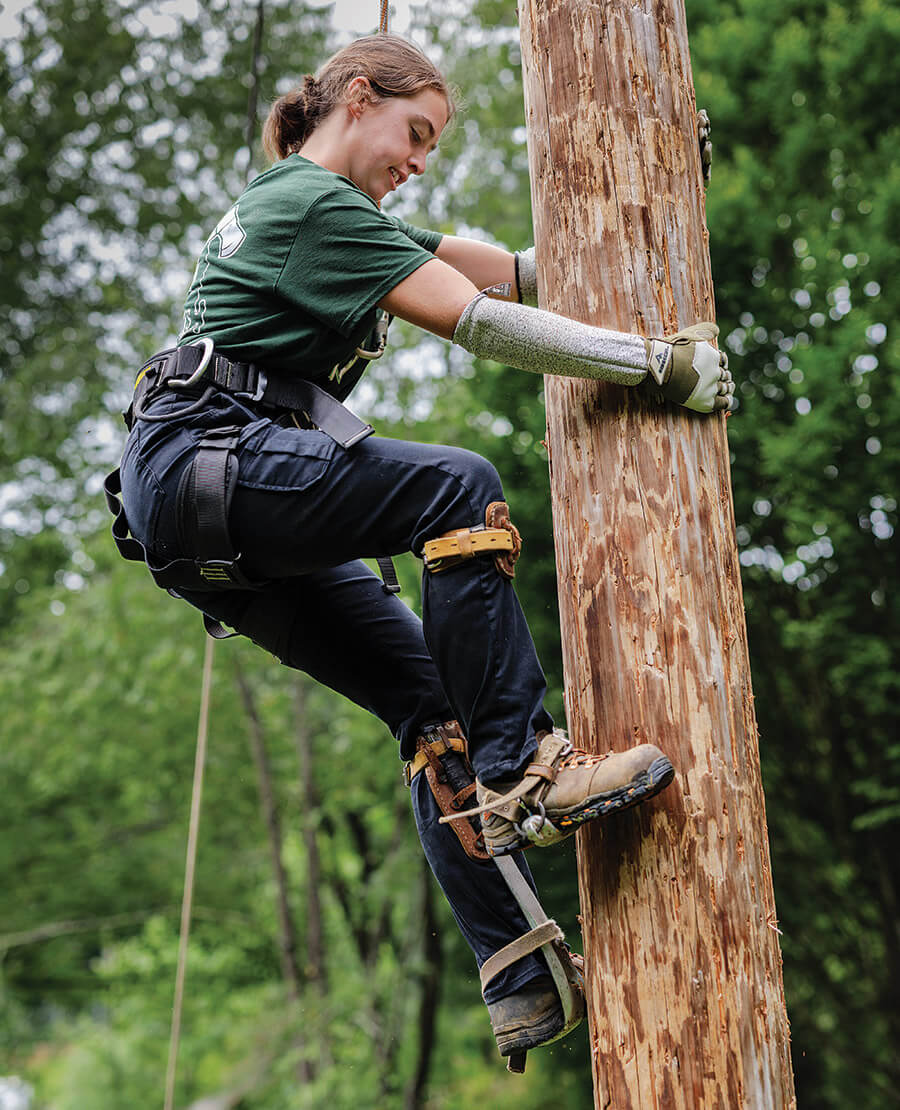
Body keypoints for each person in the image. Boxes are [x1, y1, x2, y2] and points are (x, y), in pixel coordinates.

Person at [111, 34, 733, 1062]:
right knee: (458, 486)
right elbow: (485, 323)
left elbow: (538, 267)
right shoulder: (306, 202)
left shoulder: (342, 219)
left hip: (197, 516)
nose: (421, 159)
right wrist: (652, 365)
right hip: (205, 462)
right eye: (416, 133)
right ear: (357, 96)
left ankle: (516, 971)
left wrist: (662, 180)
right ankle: (529, 770)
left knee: (431, 706)